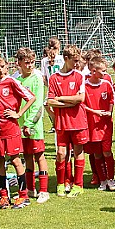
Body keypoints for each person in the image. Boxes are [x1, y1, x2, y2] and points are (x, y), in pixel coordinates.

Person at [0, 51, 36, 209]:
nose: (0, 70)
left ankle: (23, 196)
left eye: (2, 67)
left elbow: (31, 97)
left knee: (15, 160)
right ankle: (3, 196)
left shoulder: (11, 82)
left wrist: (18, 113)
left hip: (10, 128)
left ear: (6, 66)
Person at [47, 44, 89, 198]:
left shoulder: (79, 76)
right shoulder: (54, 78)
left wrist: (61, 99)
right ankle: (62, 183)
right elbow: (50, 101)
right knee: (61, 153)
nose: (77, 64)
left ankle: (78, 185)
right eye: (75, 60)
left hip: (78, 120)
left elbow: (81, 98)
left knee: (78, 152)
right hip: (61, 122)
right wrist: (70, 102)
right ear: (66, 59)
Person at [16, 48, 50, 204]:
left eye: (32, 62)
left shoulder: (36, 78)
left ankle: (44, 191)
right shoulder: (18, 79)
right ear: (19, 63)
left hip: (33, 125)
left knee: (39, 155)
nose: (30, 66)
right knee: (27, 156)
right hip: (21, 126)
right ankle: (30, 188)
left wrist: (30, 123)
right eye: (26, 63)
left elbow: (37, 104)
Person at [84, 56, 115, 192]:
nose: (105, 74)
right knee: (97, 154)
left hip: (105, 125)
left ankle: (111, 179)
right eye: (102, 71)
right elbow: (81, 104)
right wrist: (95, 112)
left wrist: (109, 112)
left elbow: (111, 100)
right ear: (93, 71)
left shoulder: (106, 84)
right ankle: (102, 180)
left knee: (107, 151)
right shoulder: (84, 86)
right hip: (92, 125)